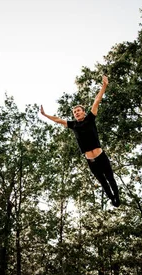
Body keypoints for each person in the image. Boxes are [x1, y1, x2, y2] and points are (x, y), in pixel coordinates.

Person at [40, 75, 120, 207]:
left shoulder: (90, 118)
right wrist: (45, 115)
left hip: (101, 156)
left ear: (83, 112)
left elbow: (97, 100)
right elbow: (57, 119)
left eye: (78, 111)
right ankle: (111, 198)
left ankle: (117, 197)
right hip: (91, 161)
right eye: (74, 112)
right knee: (103, 182)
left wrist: (104, 85)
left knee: (110, 178)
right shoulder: (73, 125)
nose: (76, 113)